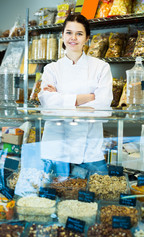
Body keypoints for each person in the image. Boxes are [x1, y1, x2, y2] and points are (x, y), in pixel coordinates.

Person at [38, 14, 113, 176]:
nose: (73, 38)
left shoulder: (101, 67)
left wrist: (61, 100)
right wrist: (85, 98)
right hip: (56, 149)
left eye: (79, 34)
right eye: (69, 32)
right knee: (54, 198)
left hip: (89, 151)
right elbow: (47, 106)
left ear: (87, 38)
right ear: (62, 35)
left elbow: (104, 109)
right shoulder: (51, 69)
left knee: (97, 198)